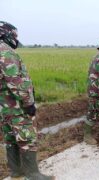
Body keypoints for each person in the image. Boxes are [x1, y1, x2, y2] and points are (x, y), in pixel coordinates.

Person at [0, 21, 54, 180]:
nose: (16, 38)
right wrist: (28, 103)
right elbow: (15, 81)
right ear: (7, 34)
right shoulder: (5, 52)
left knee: (10, 138)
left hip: (4, 106)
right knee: (27, 137)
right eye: (15, 35)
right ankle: (33, 174)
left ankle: (16, 173)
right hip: (16, 105)